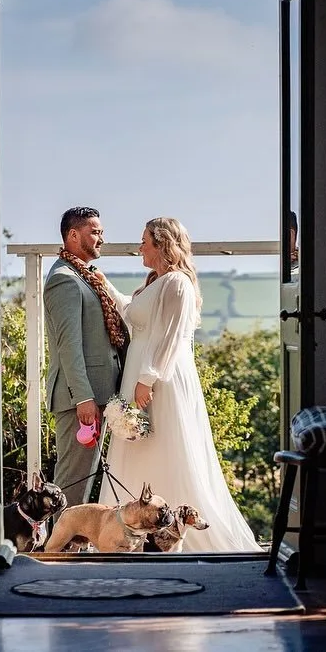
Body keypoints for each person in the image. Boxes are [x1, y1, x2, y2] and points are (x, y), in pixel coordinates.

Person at [97, 217, 263, 553]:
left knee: (166, 447)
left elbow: (170, 338)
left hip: (161, 381)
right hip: (141, 376)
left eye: (144, 241)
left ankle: (175, 533)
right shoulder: (158, 282)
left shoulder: (177, 283)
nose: (139, 248)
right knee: (140, 449)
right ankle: (134, 532)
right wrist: (105, 284)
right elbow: (133, 313)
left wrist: (147, 379)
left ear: (162, 244)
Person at [44, 206, 127, 509]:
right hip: (81, 399)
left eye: (101, 232)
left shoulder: (84, 275)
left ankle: (73, 537)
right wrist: (83, 397)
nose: (101, 239)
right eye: (95, 232)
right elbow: (69, 345)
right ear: (73, 235)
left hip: (97, 394)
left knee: (83, 480)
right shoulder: (63, 279)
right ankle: (61, 539)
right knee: (72, 483)